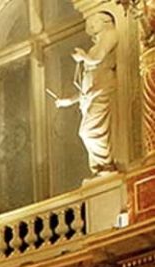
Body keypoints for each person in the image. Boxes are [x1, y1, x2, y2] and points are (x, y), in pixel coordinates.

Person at [56, 10, 118, 177]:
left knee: (88, 131)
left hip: (102, 89)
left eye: (94, 21)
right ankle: (100, 167)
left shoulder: (110, 33)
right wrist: (69, 101)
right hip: (90, 95)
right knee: (90, 131)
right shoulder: (95, 45)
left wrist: (84, 57)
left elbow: (98, 58)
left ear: (105, 20)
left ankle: (106, 164)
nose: (90, 25)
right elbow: (85, 83)